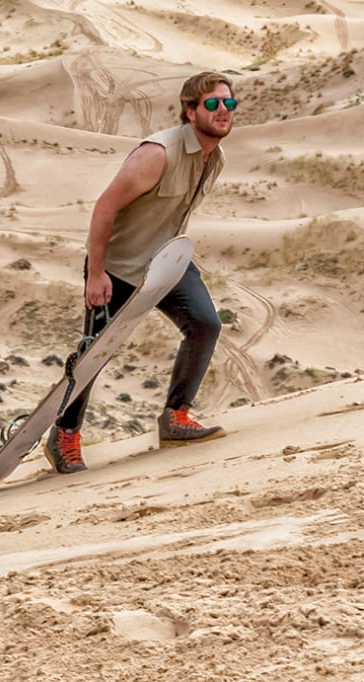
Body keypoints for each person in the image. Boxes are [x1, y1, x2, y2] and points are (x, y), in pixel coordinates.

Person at [44, 71, 238, 474]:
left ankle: (175, 418)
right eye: (214, 104)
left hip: (165, 263)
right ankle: (64, 435)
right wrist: (96, 273)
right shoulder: (158, 153)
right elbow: (105, 208)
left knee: (205, 324)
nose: (223, 112)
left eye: (229, 104)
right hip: (119, 268)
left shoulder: (213, 158)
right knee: (95, 354)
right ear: (190, 111)